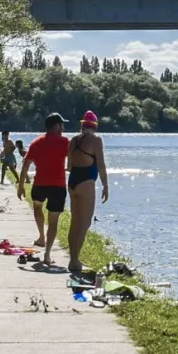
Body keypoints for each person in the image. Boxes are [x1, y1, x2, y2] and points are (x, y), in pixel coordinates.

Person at [17, 113, 70, 266]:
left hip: (40, 184)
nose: (63, 128)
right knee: (53, 222)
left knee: (37, 206)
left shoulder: (36, 142)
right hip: (58, 186)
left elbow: (26, 164)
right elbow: (74, 159)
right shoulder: (65, 142)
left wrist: (21, 186)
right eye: (62, 125)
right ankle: (47, 254)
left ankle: (41, 236)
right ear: (56, 126)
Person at [66, 111, 109, 275]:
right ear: (95, 126)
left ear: (82, 125)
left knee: (74, 222)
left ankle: (73, 258)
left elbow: (69, 166)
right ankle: (75, 261)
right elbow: (101, 165)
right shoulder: (96, 140)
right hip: (86, 182)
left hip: (72, 182)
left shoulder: (73, 140)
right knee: (85, 223)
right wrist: (105, 185)